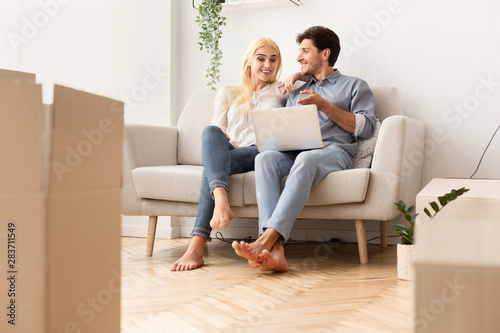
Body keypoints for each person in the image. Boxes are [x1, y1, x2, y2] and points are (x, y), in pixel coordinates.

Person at [232, 26, 377, 272]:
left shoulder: (354, 86)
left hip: (334, 150)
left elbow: (366, 128)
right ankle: (275, 253)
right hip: (297, 150)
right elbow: (286, 130)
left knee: (307, 159)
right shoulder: (296, 91)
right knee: (265, 158)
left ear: (325, 54)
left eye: (305, 51)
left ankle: (266, 239)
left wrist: (324, 105)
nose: (298, 57)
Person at [170, 37, 289, 271]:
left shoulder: (281, 90)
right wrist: (221, 137)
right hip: (231, 149)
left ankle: (196, 246)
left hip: (260, 151)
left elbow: (312, 84)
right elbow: (218, 131)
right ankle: (221, 199)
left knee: (211, 170)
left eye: (273, 60)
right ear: (248, 61)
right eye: (261, 58)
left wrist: (296, 77)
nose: (268, 65)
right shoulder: (227, 93)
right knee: (210, 132)